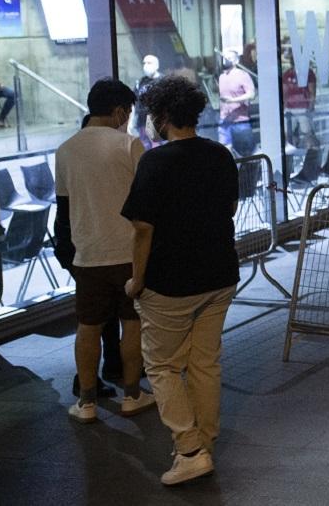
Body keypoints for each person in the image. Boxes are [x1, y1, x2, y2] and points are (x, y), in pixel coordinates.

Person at [122, 75, 239, 486]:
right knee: (205, 362)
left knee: (162, 365)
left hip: (171, 283)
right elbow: (230, 209)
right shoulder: (219, 155)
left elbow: (142, 229)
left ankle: (189, 449)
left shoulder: (154, 162)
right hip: (220, 275)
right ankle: (203, 443)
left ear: (163, 116)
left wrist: (137, 281)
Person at [56, 79, 156, 424]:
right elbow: (147, 204)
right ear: (118, 111)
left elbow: (64, 206)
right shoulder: (130, 145)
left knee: (88, 327)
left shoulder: (65, 150)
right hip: (129, 253)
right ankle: (131, 394)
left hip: (88, 255)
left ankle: (86, 402)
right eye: (127, 113)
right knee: (132, 323)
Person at [217, 49, 255, 153]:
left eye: (229, 58)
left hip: (240, 120)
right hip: (224, 119)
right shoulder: (221, 77)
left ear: (236, 61)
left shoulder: (243, 75)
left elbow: (251, 94)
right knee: (225, 149)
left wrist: (233, 100)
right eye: (225, 58)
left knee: (247, 151)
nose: (226, 60)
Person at [280, 51, 318, 151]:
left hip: (303, 108)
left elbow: (312, 92)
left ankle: (311, 153)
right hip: (290, 108)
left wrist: (310, 107)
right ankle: (292, 153)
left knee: (307, 133)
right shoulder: (287, 74)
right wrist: (284, 108)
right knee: (288, 133)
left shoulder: (308, 73)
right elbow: (284, 93)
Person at [132, 55, 162, 148]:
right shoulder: (141, 82)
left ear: (156, 65)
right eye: (144, 63)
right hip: (141, 120)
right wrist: (132, 120)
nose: (146, 65)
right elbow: (134, 100)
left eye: (149, 63)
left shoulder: (163, 81)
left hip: (155, 120)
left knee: (155, 145)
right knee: (144, 146)